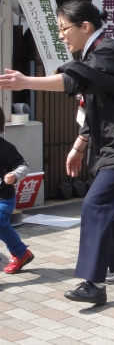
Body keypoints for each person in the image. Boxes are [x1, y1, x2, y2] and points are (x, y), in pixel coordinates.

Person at [0, 0, 114, 305]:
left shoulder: (107, 52)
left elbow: (74, 80)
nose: (61, 35)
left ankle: (93, 284)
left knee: (96, 206)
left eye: (64, 28)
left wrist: (25, 81)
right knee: (111, 208)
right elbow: (94, 106)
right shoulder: (98, 54)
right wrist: (78, 147)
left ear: (86, 27)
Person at [0, 109, 33, 274]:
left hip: (3, 199)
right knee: (2, 227)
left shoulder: (5, 148)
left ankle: (20, 253)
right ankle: (21, 253)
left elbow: (24, 166)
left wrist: (14, 175)